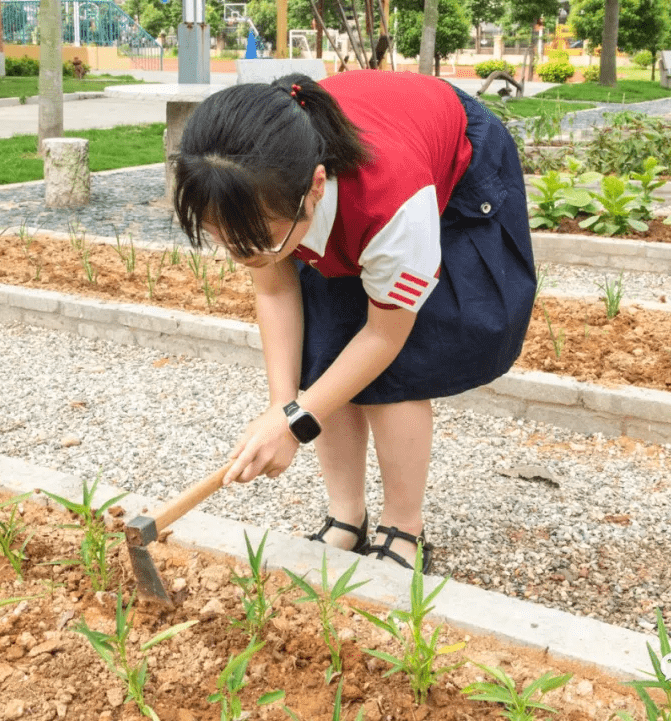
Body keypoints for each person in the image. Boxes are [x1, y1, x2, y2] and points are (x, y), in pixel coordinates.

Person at [170, 70, 535, 572]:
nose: (240, 255)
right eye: (223, 238)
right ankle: (347, 516)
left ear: (316, 187)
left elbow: (386, 335)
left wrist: (294, 427)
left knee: (401, 368)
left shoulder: (394, 204)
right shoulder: (252, 176)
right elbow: (274, 287)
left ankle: (404, 525)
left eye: (256, 242)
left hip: (450, 159)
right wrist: (284, 405)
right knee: (324, 353)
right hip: (347, 174)